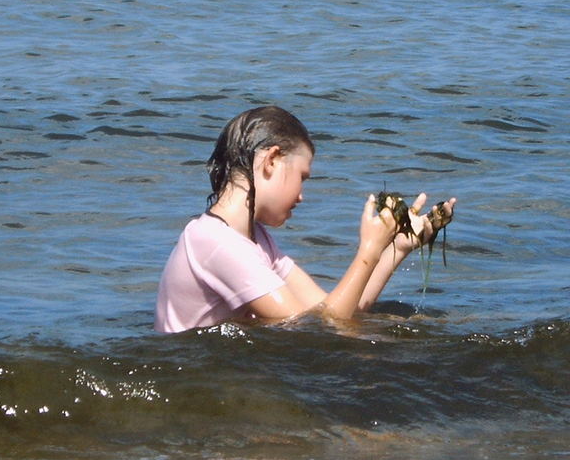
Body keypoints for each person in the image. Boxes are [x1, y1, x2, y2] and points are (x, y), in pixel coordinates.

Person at [154, 105, 456, 333]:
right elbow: (319, 330)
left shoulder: (255, 240)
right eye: (302, 177)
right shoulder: (216, 243)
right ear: (272, 160)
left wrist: (395, 250)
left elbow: (335, 310)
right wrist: (368, 251)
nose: (302, 196)